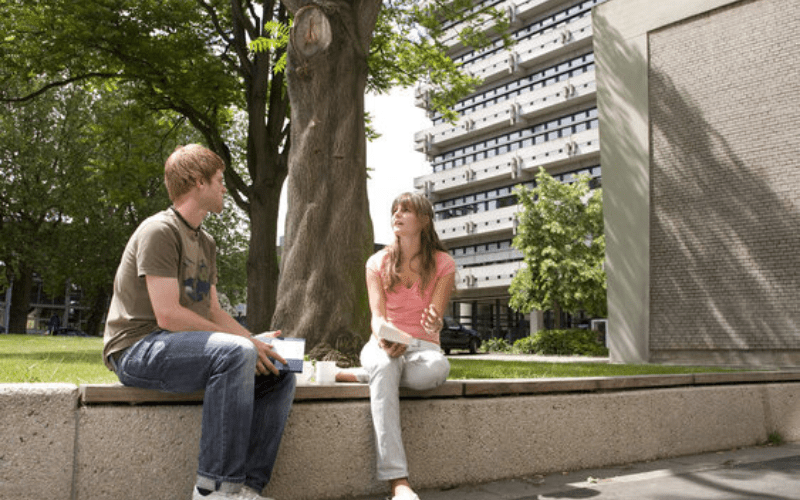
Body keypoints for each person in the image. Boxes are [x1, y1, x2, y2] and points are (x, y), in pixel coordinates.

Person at [102, 144, 295, 500]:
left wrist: (256, 341)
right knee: (237, 353)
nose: (224, 188)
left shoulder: (206, 242)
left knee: (279, 371)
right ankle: (214, 491)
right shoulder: (159, 231)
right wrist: (243, 345)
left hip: (181, 345)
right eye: (219, 180)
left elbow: (214, 311)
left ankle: (247, 489)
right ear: (197, 182)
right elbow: (168, 314)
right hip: (137, 347)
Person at [337, 192, 456, 500]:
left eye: (407, 210)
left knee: (438, 369)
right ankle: (397, 480)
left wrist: (434, 321)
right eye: (395, 210)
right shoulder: (376, 262)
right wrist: (386, 338)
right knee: (386, 364)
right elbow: (377, 318)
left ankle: (369, 376)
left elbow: (436, 317)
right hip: (384, 344)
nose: (397, 214)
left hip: (423, 350)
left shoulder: (444, 264)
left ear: (424, 221)